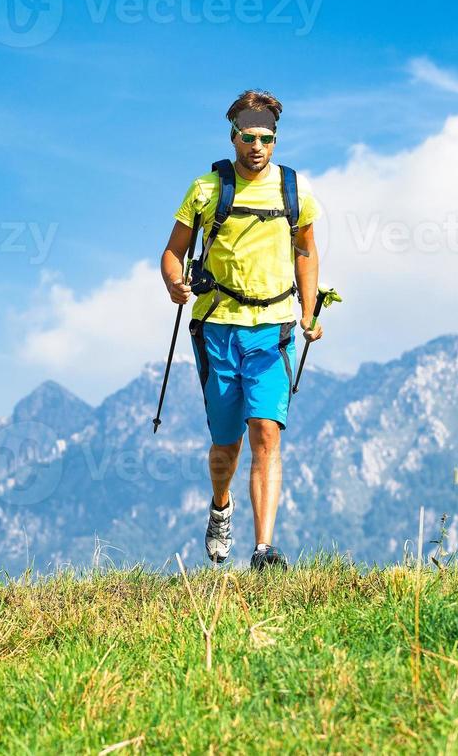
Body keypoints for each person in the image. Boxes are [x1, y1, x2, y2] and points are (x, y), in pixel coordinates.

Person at [159, 90, 323, 571]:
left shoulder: (296, 191)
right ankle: (220, 505)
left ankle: (264, 549)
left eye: (266, 138)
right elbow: (172, 252)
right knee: (226, 443)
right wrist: (174, 282)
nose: (256, 146)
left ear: (275, 139)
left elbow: (306, 253)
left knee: (266, 432)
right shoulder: (206, 190)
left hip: (272, 330)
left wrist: (309, 313)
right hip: (218, 329)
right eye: (248, 137)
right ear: (233, 135)